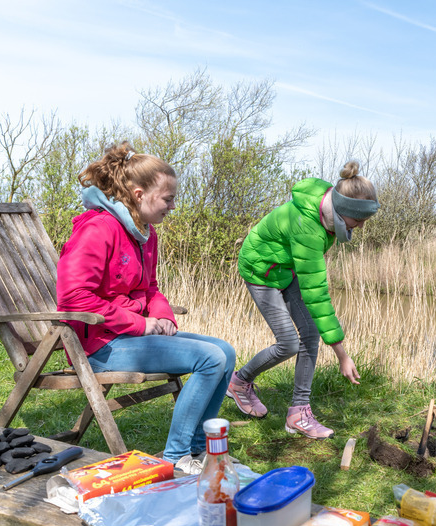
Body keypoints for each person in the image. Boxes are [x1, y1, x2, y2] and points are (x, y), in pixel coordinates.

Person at [56, 142, 235, 468]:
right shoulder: (98, 229)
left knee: (226, 351)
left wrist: (162, 315)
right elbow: (73, 298)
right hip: (98, 346)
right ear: (139, 195)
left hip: (132, 338)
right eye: (168, 199)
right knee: (209, 359)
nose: (173, 205)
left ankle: (198, 449)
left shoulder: (144, 233)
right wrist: (140, 324)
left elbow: (149, 287)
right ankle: (178, 456)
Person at [228, 161, 378, 439]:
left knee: (309, 334)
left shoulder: (328, 214)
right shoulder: (308, 227)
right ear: (346, 212)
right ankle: (239, 382)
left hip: (287, 268)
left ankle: (298, 413)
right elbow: (316, 293)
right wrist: (342, 355)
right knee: (288, 342)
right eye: (361, 221)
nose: (362, 227)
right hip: (261, 270)